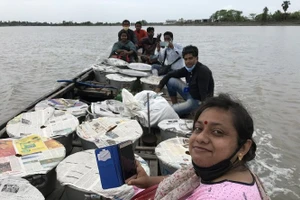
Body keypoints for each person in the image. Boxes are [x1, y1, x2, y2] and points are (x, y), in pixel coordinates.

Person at [128, 94, 270, 200]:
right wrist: (147, 181)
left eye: (217, 132)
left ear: (243, 147)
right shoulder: (216, 169)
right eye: (198, 128)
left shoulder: (218, 197)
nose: (201, 138)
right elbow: (179, 180)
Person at [155, 45, 214, 117]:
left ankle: (181, 109)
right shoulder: (188, 69)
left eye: (190, 58)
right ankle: (175, 104)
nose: (188, 61)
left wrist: (202, 114)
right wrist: (159, 87)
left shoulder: (202, 71)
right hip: (190, 92)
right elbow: (170, 74)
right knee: (170, 80)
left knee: (169, 110)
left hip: (197, 101)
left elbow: (204, 96)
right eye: (185, 59)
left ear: (197, 58)